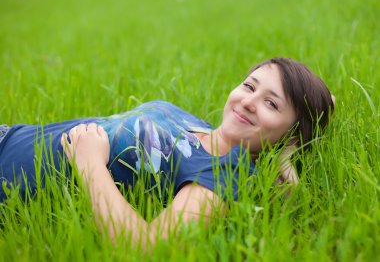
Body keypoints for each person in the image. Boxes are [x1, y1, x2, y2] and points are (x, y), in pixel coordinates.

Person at [0, 57, 335, 245]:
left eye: (270, 103)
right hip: (10, 135)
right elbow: (326, 101)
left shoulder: (220, 174)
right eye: (249, 85)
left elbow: (146, 248)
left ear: (290, 134)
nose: (247, 101)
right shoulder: (202, 128)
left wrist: (89, 165)